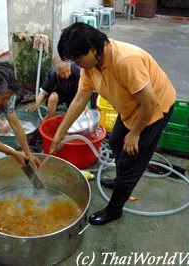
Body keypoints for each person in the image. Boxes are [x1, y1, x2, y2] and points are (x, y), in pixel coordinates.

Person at [51, 22, 176, 225]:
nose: (76, 65)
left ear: (93, 49)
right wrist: (60, 134)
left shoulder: (126, 60)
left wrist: (135, 133)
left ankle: (114, 209)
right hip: (131, 107)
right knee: (117, 142)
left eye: (78, 59)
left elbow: (150, 103)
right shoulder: (90, 66)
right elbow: (79, 99)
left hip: (153, 110)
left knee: (130, 160)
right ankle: (120, 181)